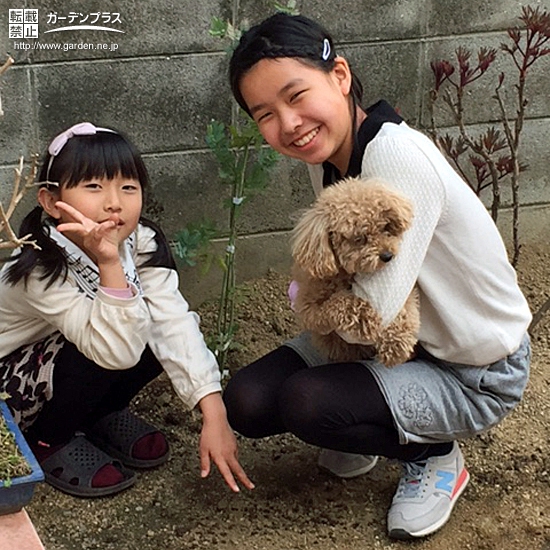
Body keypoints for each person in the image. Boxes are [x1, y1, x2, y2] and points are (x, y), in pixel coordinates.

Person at [223, 13, 532, 540]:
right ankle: (361, 428)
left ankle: (435, 456)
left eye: (297, 96)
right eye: (265, 114)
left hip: (474, 369)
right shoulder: (328, 153)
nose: (289, 123)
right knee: (247, 401)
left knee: (307, 402)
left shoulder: (394, 155)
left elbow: (371, 317)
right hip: (393, 344)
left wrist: (310, 301)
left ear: (339, 75)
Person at [0, 122, 253, 497]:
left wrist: (214, 412)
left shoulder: (140, 243)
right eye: (93, 186)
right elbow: (114, 350)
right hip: (11, 384)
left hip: (68, 354)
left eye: (128, 187)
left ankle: (98, 414)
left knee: (149, 321)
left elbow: (174, 321)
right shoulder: (38, 267)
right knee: (113, 331)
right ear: (52, 203)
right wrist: (109, 264)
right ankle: (49, 439)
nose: (114, 202)